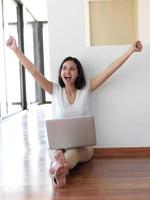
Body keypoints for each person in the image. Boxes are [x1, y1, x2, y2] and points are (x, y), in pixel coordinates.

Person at [6, 36, 143, 188]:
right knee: (55, 152)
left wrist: (130, 50)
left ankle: (59, 166)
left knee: (73, 154)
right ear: (60, 73)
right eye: (64, 68)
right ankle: (61, 171)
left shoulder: (86, 88)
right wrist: (15, 50)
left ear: (78, 73)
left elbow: (110, 69)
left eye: (72, 68)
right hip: (59, 145)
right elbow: (34, 72)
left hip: (83, 147)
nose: (68, 71)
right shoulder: (55, 90)